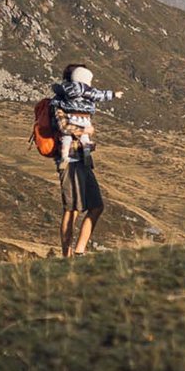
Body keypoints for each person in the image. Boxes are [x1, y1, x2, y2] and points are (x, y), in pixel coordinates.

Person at [53, 63, 123, 256]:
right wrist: (84, 131)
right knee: (72, 209)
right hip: (68, 162)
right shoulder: (59, 102)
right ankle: (66, 255)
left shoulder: (83, 102)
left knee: (96, 206)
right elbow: (62, 127)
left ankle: (79, 251)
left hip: (84, 159)